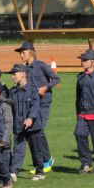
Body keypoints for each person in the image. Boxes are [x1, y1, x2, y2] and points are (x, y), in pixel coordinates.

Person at [14, 42, 60, 173]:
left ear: (31, 52)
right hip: (31, 104)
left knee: (39, 131)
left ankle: (46, 161)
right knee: (35, 132)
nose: (21, 55)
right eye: (20, 53)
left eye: (23, 52)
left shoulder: (41, 66)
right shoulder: (23, 69)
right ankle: (45, 160)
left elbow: (56, 79)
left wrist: (45, 88)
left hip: (43, 103)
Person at [7, 64, 48, 181]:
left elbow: (35, 106)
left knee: (36, 149)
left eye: (14, 74)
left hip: (33, 126)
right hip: (19, 126)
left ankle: (39, 172)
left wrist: (30, 118)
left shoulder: (33, 90)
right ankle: (14, 171)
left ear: (23, 74)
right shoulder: (13, 91)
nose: (13, 77)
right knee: (18, 149)